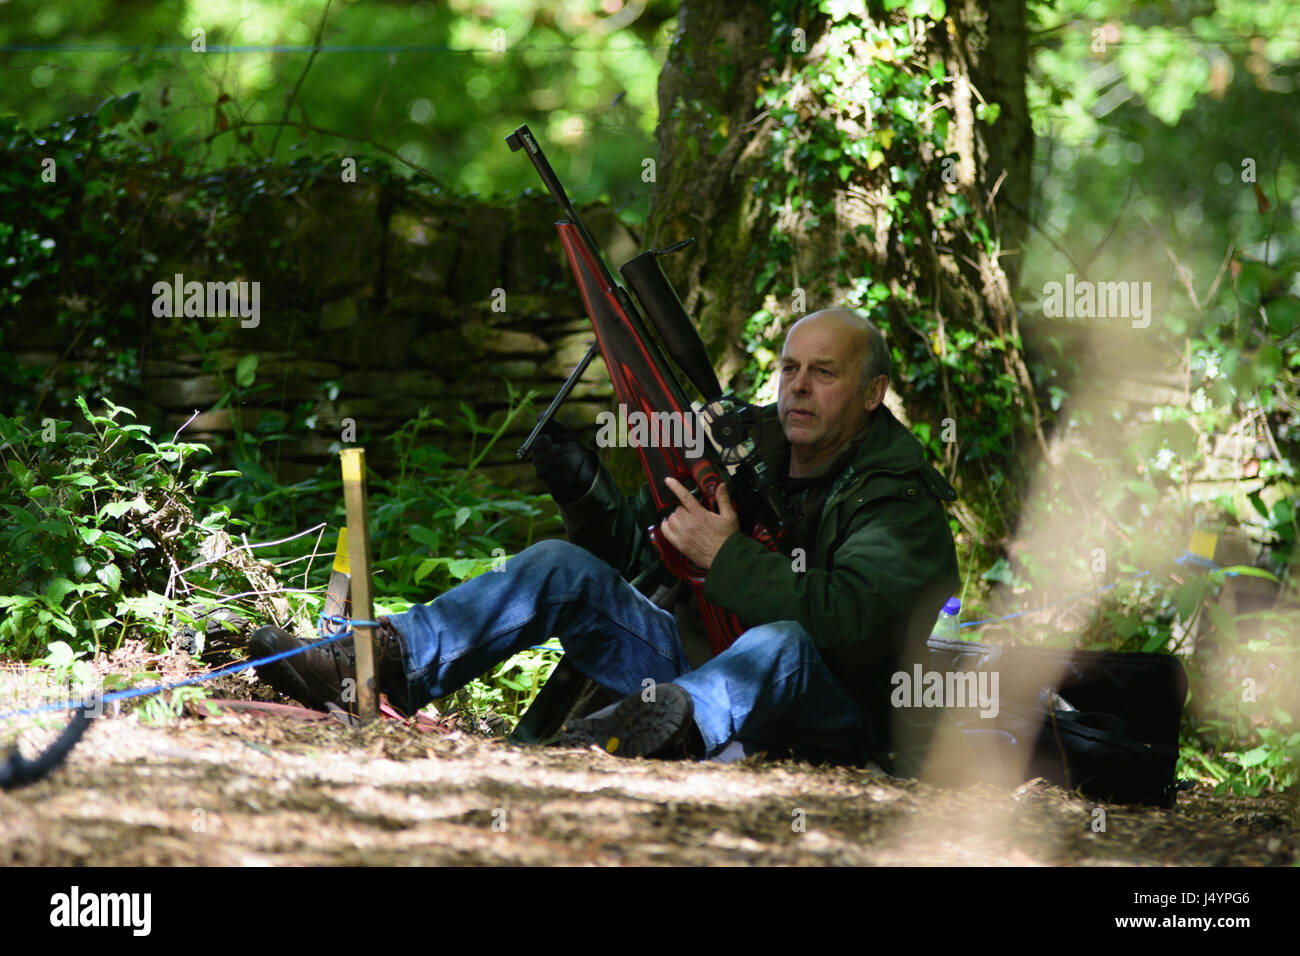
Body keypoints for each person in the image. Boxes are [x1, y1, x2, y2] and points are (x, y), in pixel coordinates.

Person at [251, 308, 960, 768]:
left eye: (824, 374)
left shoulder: (898, 496)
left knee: (781, 645)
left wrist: (728, 557)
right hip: (693, 664)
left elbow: (853, 627)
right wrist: (585, 492)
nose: (798, 389)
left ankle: (636, 735)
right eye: (790, 369)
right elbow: (642, 557)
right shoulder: (755, 443)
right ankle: (373, 667)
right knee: (558, 565)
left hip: (834, 710)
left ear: (873, 394)